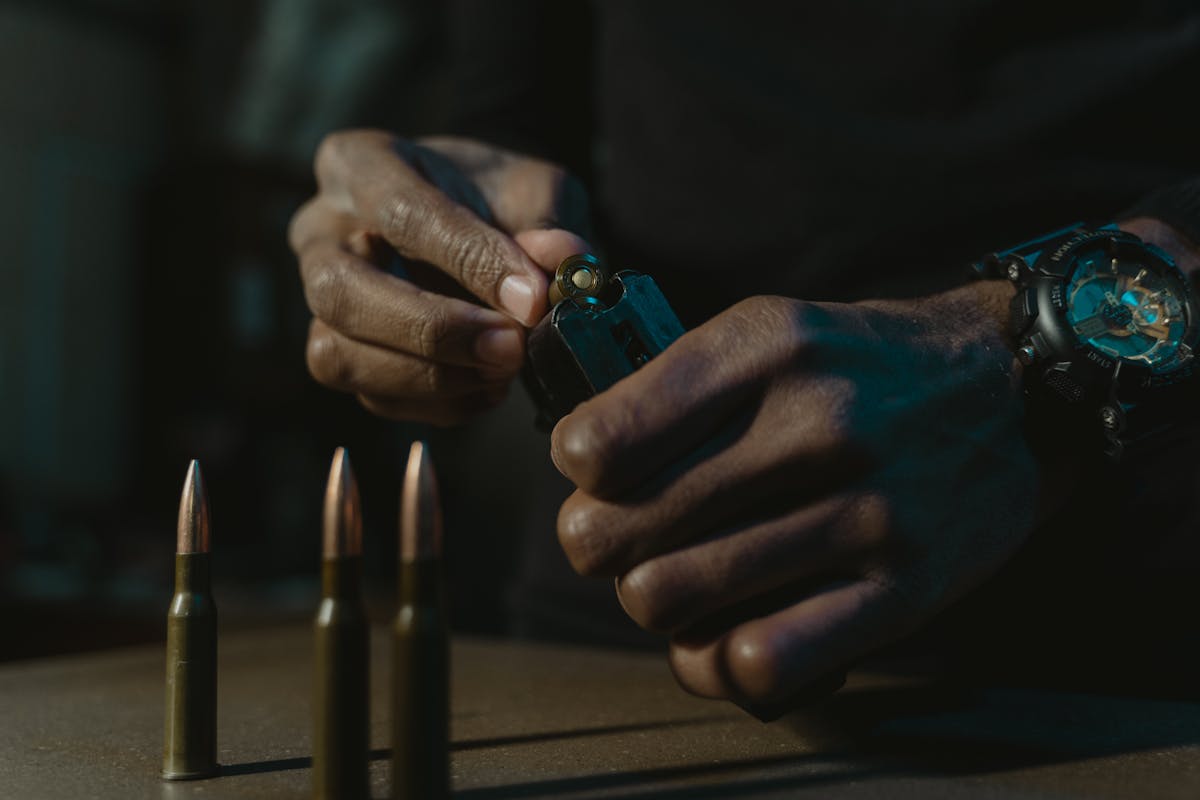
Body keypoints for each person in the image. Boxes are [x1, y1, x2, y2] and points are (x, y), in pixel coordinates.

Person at [288, 2, 1200, 713]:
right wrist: (440, 213)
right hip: (631, 611)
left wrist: (1030, 363)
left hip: (1130, 628)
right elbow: (510, 114)